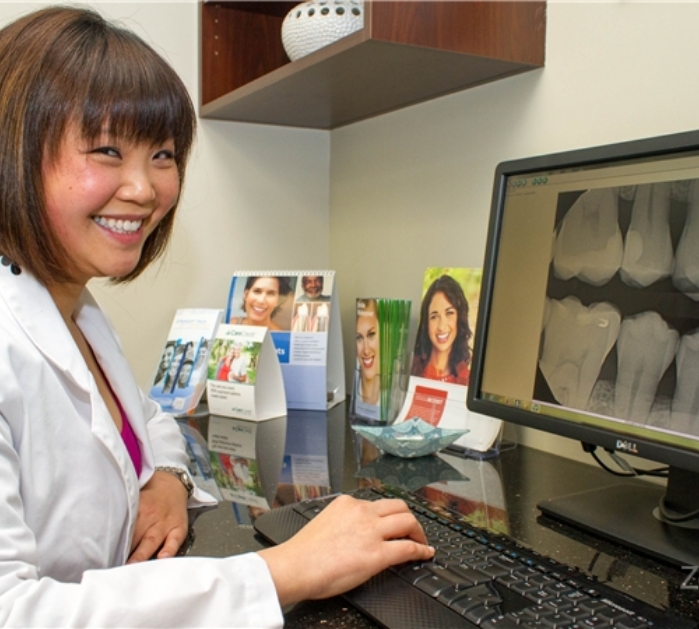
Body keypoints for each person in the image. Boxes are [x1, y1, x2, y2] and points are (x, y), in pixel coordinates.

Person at [0, 7, 433, 627]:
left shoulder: (74, 310)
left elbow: (147, 420)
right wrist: (286, 570)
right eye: (106, 150)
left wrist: (170, 479)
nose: (145, 189)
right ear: (13, 150)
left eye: (163, 155)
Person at [411, 274, 472, 385]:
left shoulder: (467, 381)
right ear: (426, 323)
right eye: (434, 316)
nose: (441, 326)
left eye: (449, 313)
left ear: (459, 318)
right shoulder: (411, 372)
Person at [354, 298, 381, 420]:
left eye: (371, 335)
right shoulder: (354, 393)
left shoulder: (392, 399)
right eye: (359, 337)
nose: (365, 350)